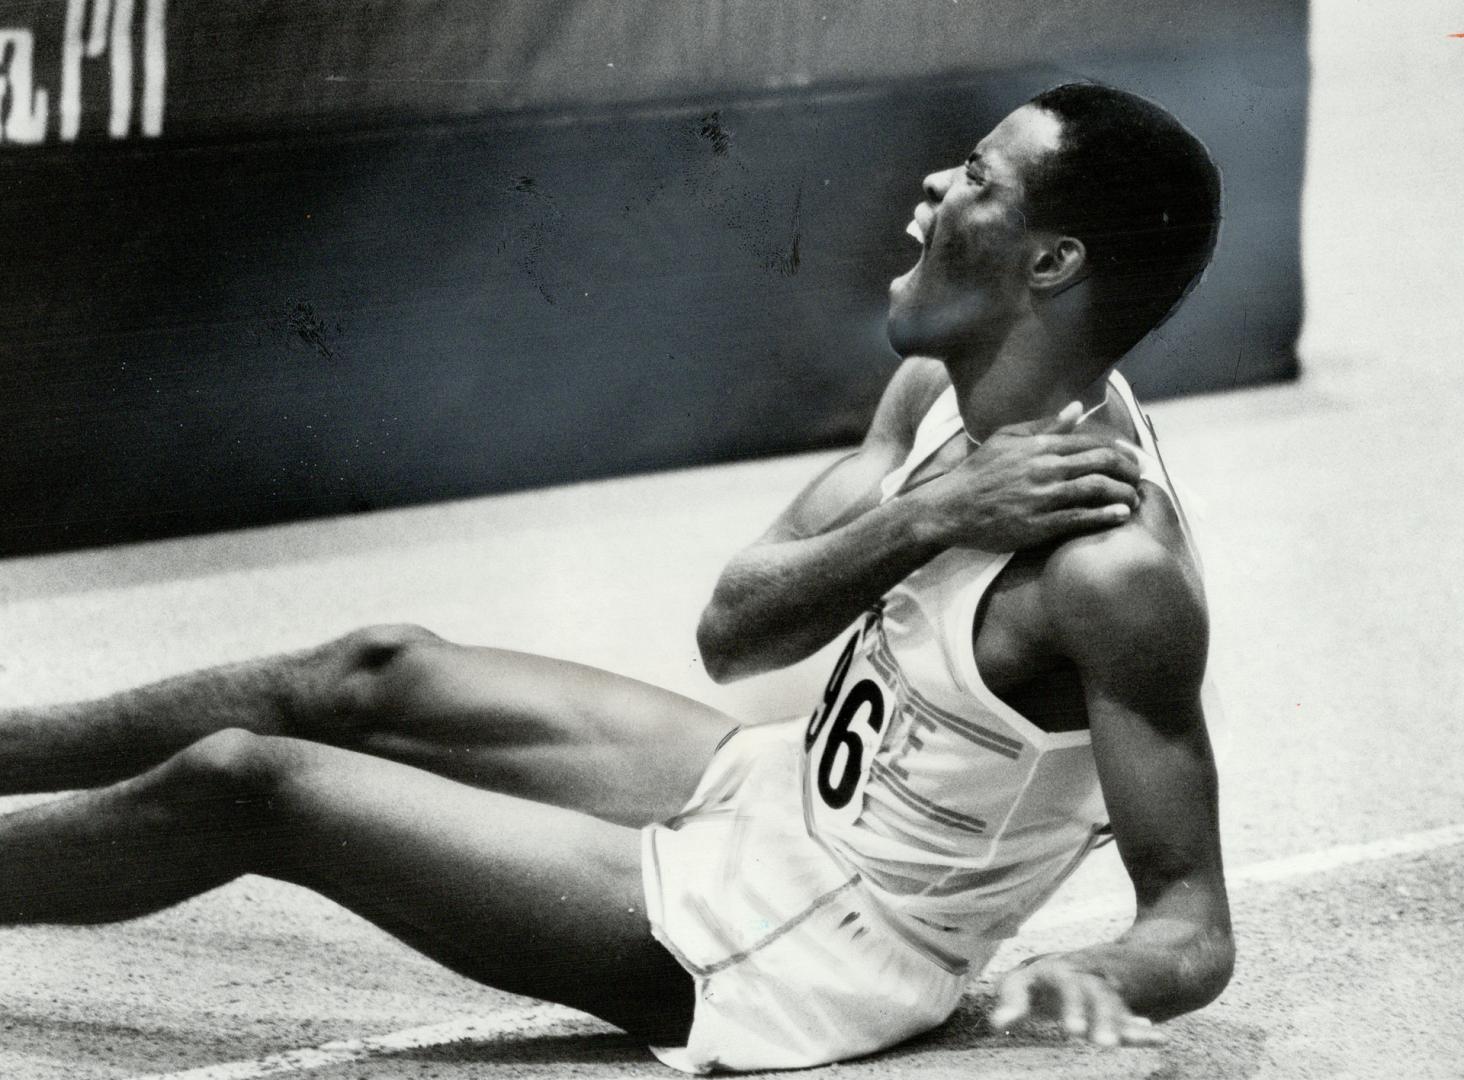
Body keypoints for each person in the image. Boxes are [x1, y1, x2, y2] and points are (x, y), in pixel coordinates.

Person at [0, 82, 1230, 1073]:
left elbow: (1192, 924)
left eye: (975, 178)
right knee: (371, 668)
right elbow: (736, 634)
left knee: (251, 784)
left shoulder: (1114, 570)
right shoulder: (934, 402)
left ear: (1053, 262)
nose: (930, 186)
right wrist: (934, 513)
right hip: (771, 791)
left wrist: (1092, 979)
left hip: (804, 946)